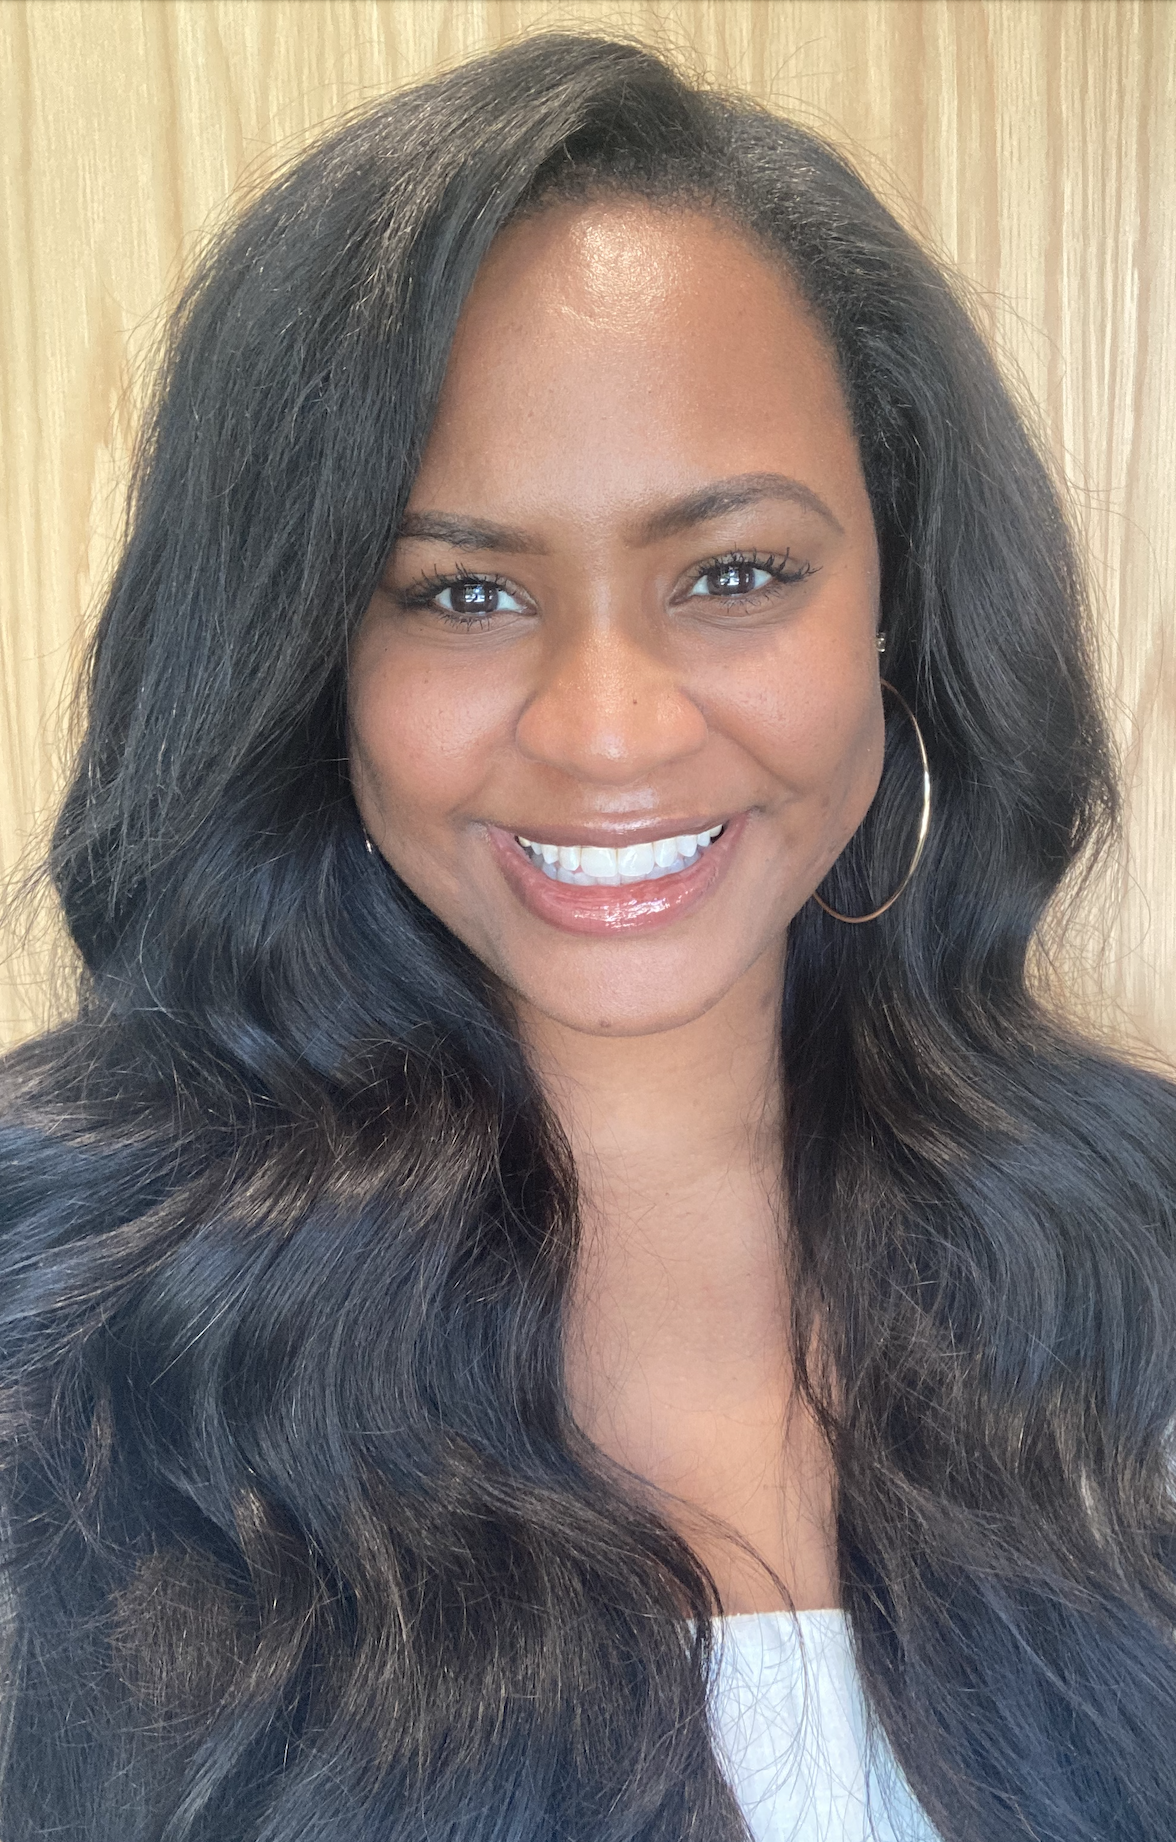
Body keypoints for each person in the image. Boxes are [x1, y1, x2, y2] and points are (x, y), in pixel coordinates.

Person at [0, 31, 1173, 1842]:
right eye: (464, 593)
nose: (608, 729)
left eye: (733, 573)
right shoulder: (54, 1328)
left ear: (903, 594)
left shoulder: (1139, 1267)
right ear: (305, 652)